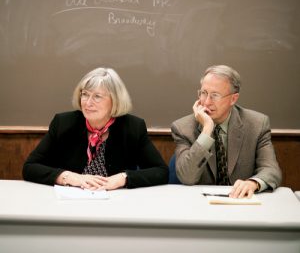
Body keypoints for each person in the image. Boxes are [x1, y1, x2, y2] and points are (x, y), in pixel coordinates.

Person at [23, 67, 168, 190]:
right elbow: (30, 167)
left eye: (97, 96)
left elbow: (161, 172)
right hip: (70, 201)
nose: (88, 103)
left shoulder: (132, 127)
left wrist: (123, 178)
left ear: (115, 100)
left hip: (116, 202)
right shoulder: (63, 123)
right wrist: (68, 177)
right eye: (85, 94)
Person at [171, 65, 282, 198]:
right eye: (203, 93)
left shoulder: (257, 124)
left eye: (215, 95)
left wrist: (253, 183)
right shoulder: (183, 127)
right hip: (200, 204)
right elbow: (187, 177)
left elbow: (271, 169)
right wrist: (206, 130)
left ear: (233, 99)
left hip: (241, 203)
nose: (206, 102)